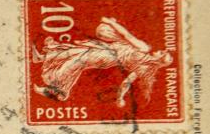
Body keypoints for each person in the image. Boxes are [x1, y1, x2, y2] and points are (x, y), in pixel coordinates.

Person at [31, 16, 173, 107]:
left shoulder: (145, 48)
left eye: (161, 53)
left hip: (108, 55)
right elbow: (126, 83)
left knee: (77, 62)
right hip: (107, 51)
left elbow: (126, 35)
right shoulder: (144, 68)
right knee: (75, 51)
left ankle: (57, 89)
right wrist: (120, 99)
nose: (160, 50)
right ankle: (42, 58)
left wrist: (110, 22)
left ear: (159, 59)